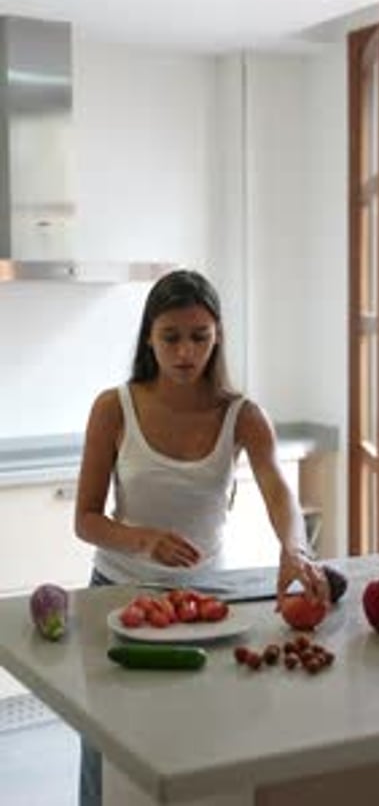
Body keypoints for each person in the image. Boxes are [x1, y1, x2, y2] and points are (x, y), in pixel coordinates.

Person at [74, 268, 329, 806]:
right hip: (116, 590)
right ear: (149, 336)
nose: (186, 352)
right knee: (107, 739)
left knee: (191, 740)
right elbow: (87, 520)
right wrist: (144, 540)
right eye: (171, 337)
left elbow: (279, 492)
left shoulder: (242, 415)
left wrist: (295, 549)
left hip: (203, 600)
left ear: (217, 338)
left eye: (200, 337)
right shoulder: (113, 407)